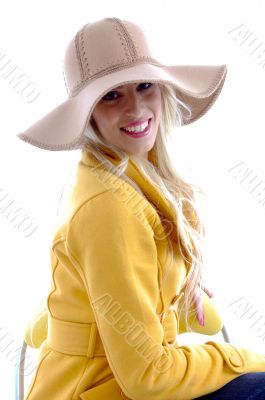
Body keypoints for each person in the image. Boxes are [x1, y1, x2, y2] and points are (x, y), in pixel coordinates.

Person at [17, 17, 265, 400]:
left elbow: (70, 310)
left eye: (144, 86)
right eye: (111, 95)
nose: (135, 108)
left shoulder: (128, 183)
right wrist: (244, 359)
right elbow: (148, 378)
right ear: (89, 114)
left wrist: (175, 284)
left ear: (161, 91)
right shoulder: (109, 208)